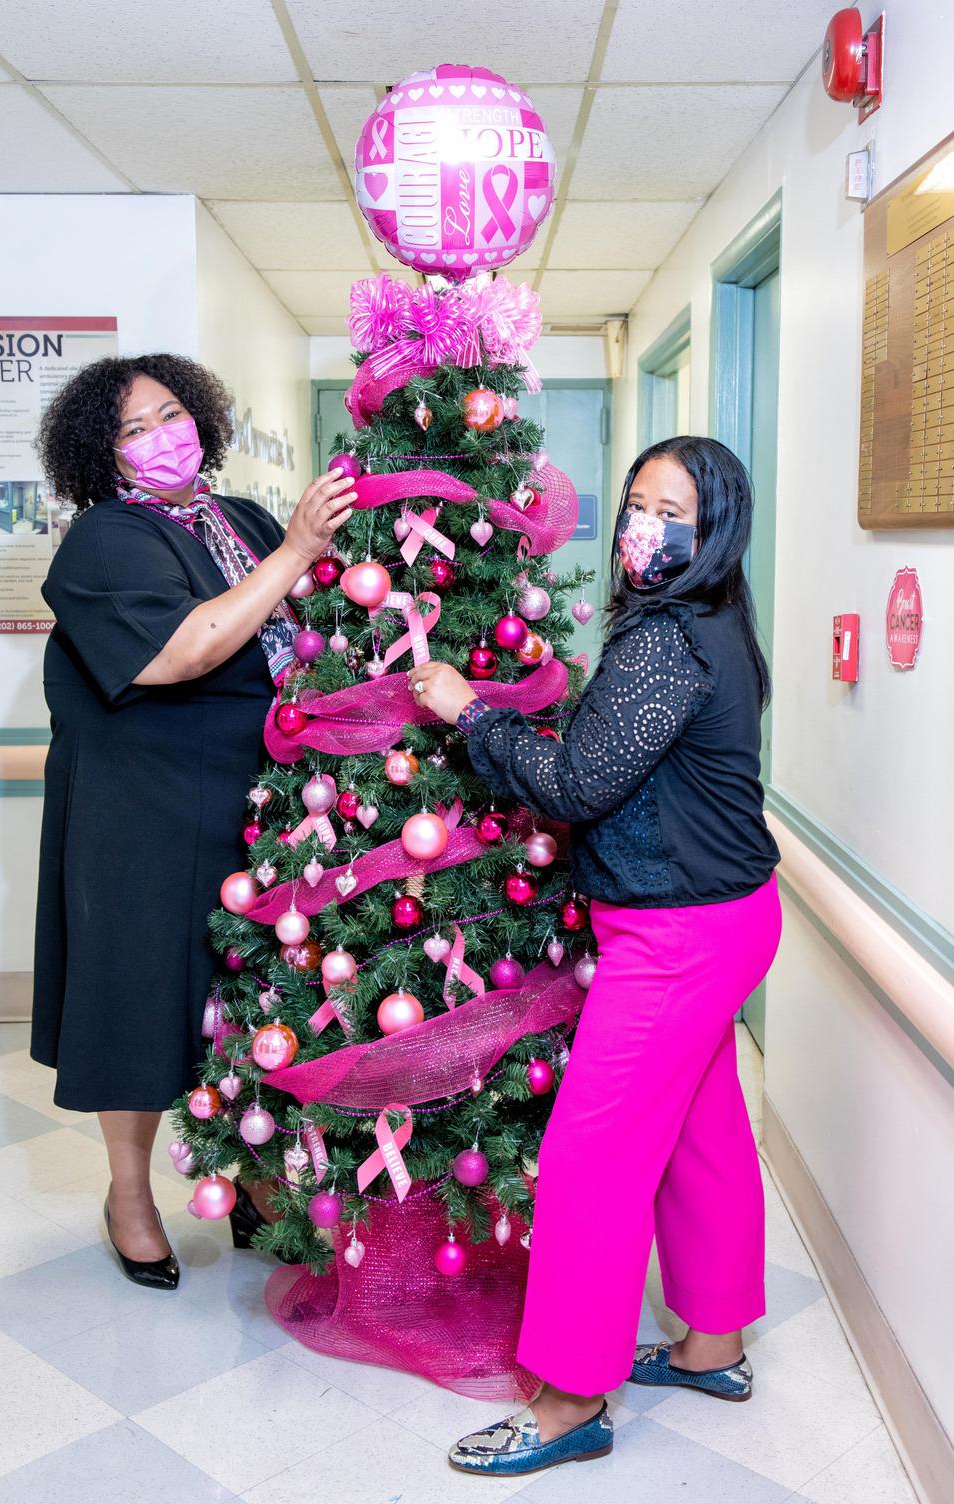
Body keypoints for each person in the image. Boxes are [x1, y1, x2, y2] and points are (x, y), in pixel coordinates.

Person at [410, 436, 781, 1477]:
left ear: (711, 538)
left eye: (674, 513)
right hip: (722, 915)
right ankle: (712, 1342)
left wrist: (469, 714)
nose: (644, 525)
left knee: (591, 1158)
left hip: (678, 935)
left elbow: (578, 783)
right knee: (702, 1130)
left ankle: (570, 1400)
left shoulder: (667, 639)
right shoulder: (713, 621)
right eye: (637, 502)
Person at [31, 353, 354, 1290]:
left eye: (170, 414)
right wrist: (295, 551)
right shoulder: (102, 540)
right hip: (141, 814)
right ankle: (128, 1195)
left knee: (244, 1003)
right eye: (133, 429)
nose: (160, 436)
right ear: (102, 453)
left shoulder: (236, 517)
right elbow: (180, 652)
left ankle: (253, 1177)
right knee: (134, 1005)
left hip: (248, 803)